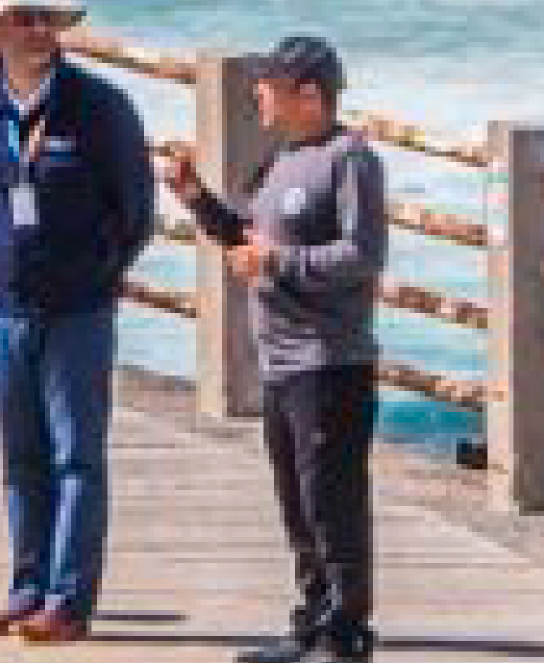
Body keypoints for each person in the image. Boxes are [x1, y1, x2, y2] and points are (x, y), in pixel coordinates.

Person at [160, 38, 389, 663]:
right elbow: (246, 239)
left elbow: (363, 255)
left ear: (309, 95)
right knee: (295, 504)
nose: (257, 94)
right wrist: (198, 200)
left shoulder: (352, 160)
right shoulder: (281, 161)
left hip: (331, 362)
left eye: (269, 84)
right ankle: (312, 622)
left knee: (331, 502)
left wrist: (278, 260)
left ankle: (347, 634)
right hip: (281, 363)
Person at [0, 0, 153, 643]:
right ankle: (26, 587)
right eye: (24, 18)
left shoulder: (101, 106)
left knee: (76, 456)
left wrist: (93, 275)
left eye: (47, 18)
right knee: (19, 455)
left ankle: (67, 600)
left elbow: (136, 213)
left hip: (77, 309)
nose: (39, 29)